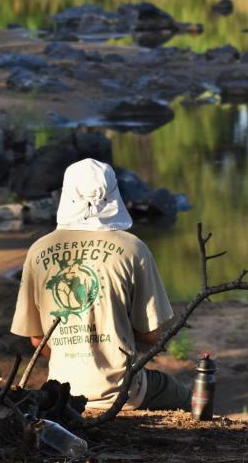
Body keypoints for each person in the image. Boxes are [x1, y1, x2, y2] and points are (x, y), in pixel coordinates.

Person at [11, 158, 190, 411]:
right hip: (123, 393)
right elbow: (152, 335)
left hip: (62, 393)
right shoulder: (133, 249)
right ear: (114, 194)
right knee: (187, 397)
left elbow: (37, 339)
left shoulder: (38, 250)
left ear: (66, 194)